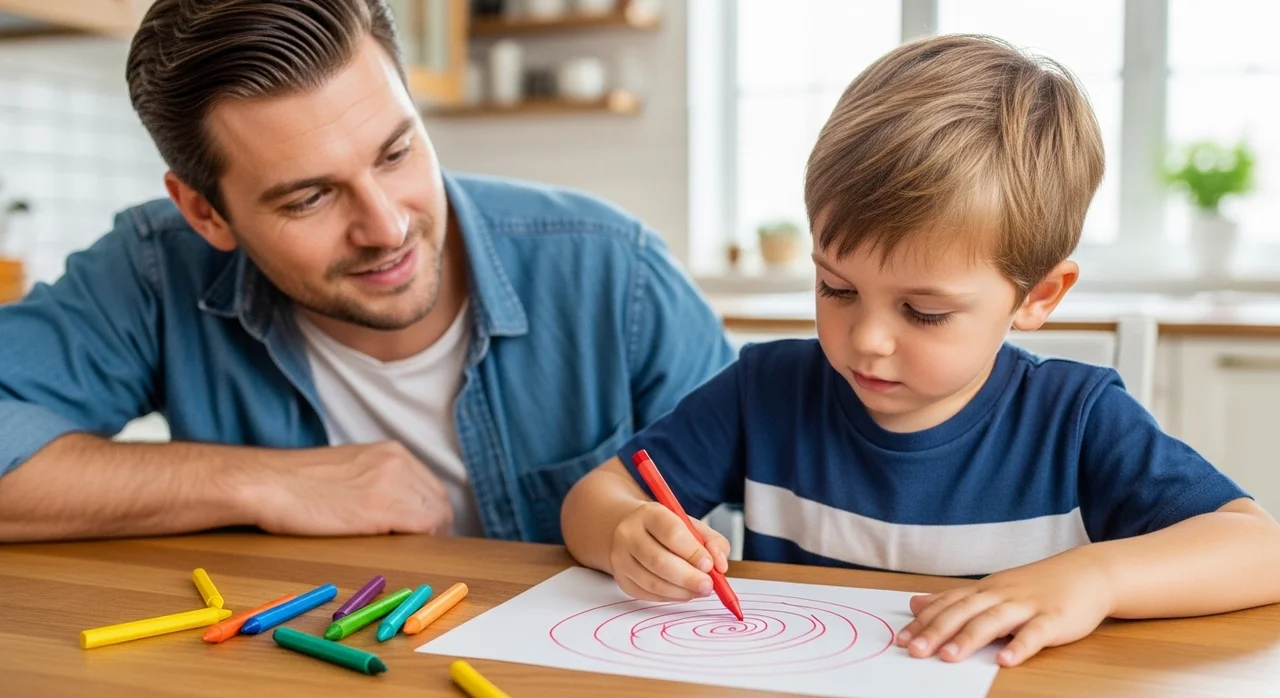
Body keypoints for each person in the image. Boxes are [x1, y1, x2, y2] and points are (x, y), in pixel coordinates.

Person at [561, 34, 1280, 668]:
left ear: (1037, 296)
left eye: (924, 312)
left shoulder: (1076, 418)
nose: (866, 339)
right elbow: (595, 498)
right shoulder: (766, 390)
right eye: (837, 288)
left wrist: (1096, 580)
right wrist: (627, 531)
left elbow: (1260, 550)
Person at [0, 0, 733, 544]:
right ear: (205, 212)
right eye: (309, 198)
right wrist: (258, 480)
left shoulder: (617, 274)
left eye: (396, 153)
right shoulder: (155, 270)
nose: (386, 227)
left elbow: (762, 519)